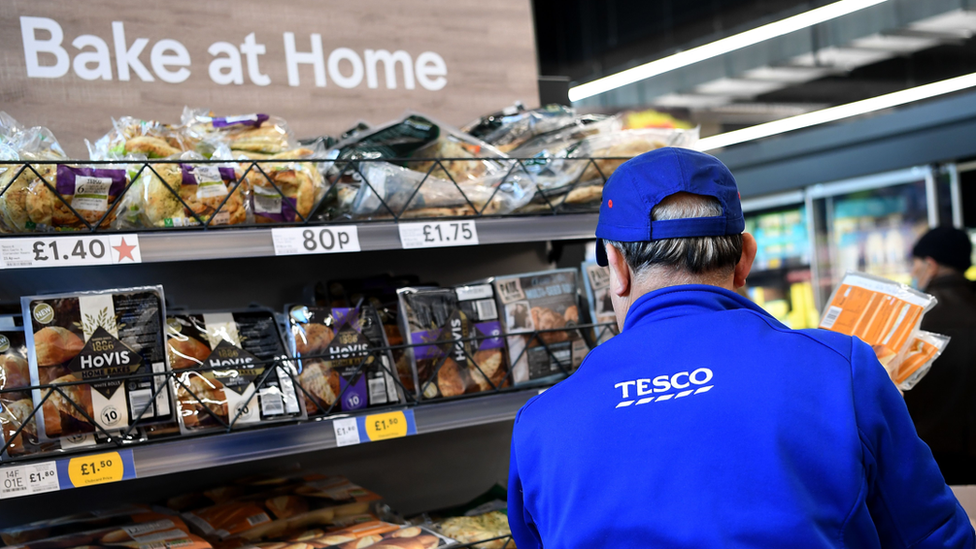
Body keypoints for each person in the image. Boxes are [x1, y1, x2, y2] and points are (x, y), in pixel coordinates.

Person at [507, 148, 973, 548]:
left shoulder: (541, 423)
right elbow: (934, 537)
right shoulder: (840, 371)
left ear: (616, 267)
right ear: (746, 257)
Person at [904, 226, 976, 485]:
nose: (913, 271)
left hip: (933, 462)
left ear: (930, 264)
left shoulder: (912, 320)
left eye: (915, 263)